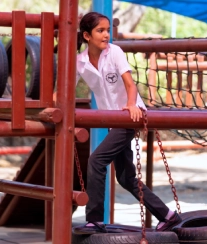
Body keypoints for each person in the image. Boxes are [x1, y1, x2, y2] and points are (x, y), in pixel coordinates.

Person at [72, 12, 181, 235]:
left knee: (96, 160)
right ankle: (168, 216)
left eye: (107, 30)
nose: (106, 35)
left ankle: (94, 219)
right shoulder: (80, 62)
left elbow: (130, 85)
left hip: (129, 117)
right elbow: (63, 90)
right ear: (87, 35)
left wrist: (132, 105)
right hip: (113, 121)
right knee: (125, 177)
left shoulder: (115, 53)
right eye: (100, 31)